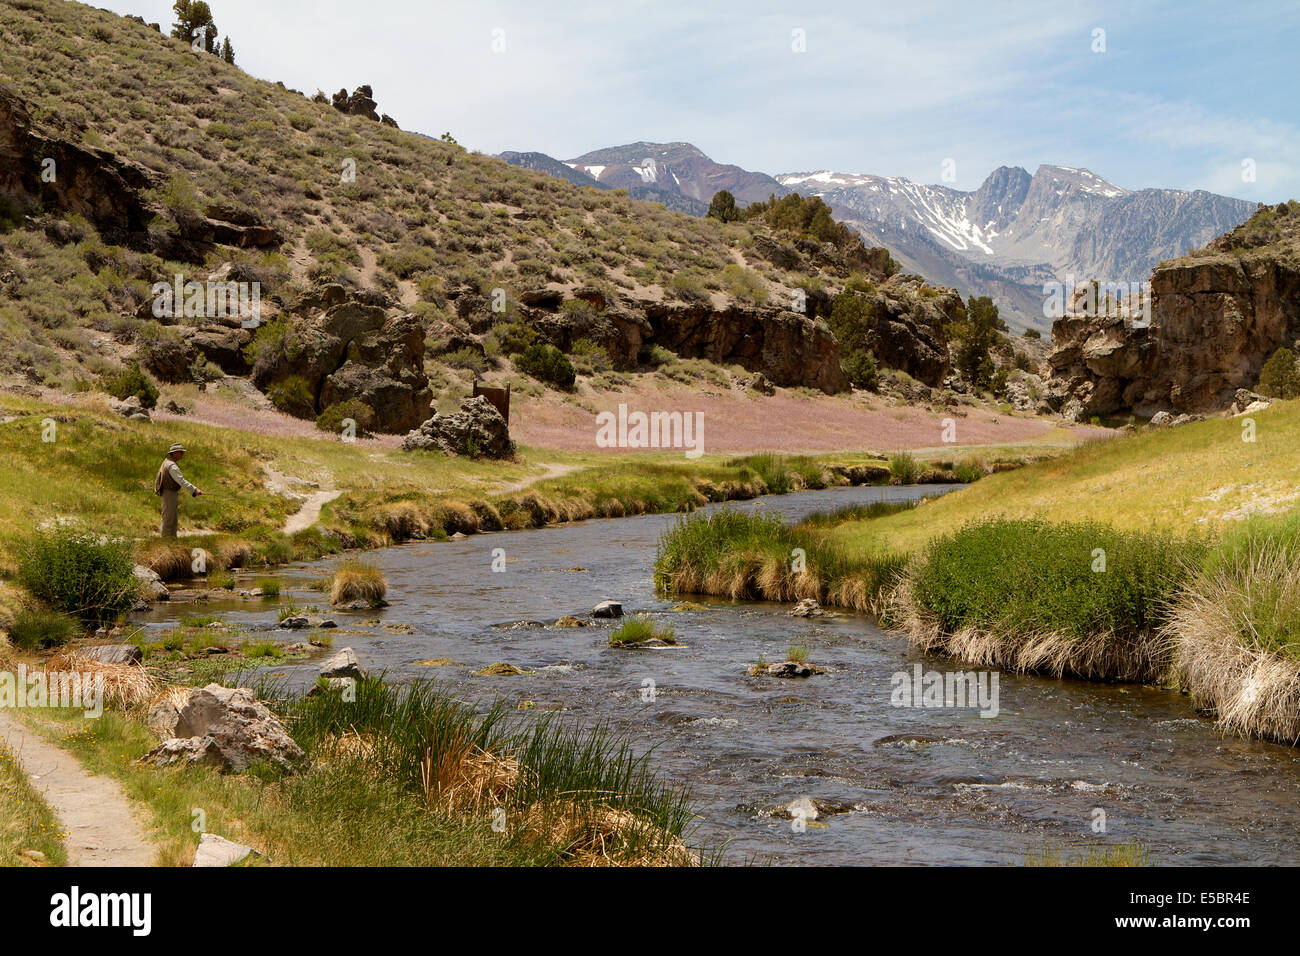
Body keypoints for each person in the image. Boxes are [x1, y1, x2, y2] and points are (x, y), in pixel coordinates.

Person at [155, 442, 203, 538]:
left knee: (172, 518)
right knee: (169, 519)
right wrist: (195, 490)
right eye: (180, 452)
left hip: (169, 493)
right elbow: (181, 481)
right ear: (174, 453)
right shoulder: (172, 466)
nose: (182, 454)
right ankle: (166, 542)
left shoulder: (167, 462)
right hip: (169, 493)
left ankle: (172, 540)